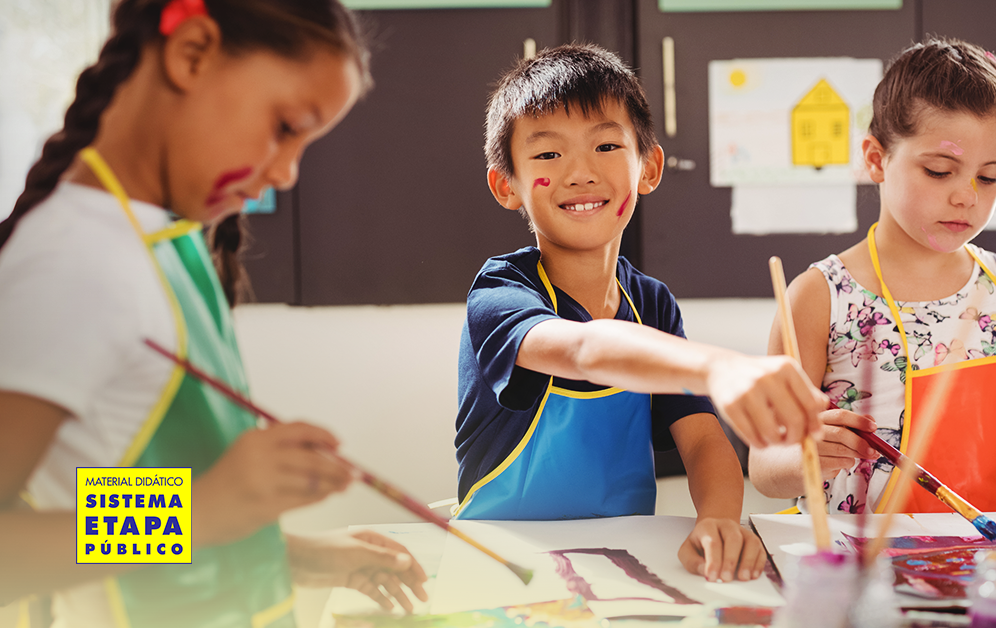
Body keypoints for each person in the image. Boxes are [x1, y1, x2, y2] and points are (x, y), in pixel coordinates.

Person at [0, 0, 429, 624]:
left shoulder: (159, 240)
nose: (286, 173)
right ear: (192, 53)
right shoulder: (74, 261)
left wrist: (286, 551)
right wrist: (204, 512)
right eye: (286, 126)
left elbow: (96, 499)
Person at [454, 44, 827, 584]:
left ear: (648, 167)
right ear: (505, 185)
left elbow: (701, 438)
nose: (581, 173)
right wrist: (718, 367)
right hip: (500, 563)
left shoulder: (651, 304)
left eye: (606, 145)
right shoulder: (500, 291)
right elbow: (584, 349)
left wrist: (718, 521)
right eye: (548, 155)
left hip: (622, 563)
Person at [748, 38, 996, 516]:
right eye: (940, 171)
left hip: (994, 567)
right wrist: (804, 461)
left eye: (988, 176)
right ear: (877, 159)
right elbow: (765, 467)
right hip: (863, 571)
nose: (967, 196)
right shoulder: (819, 297)